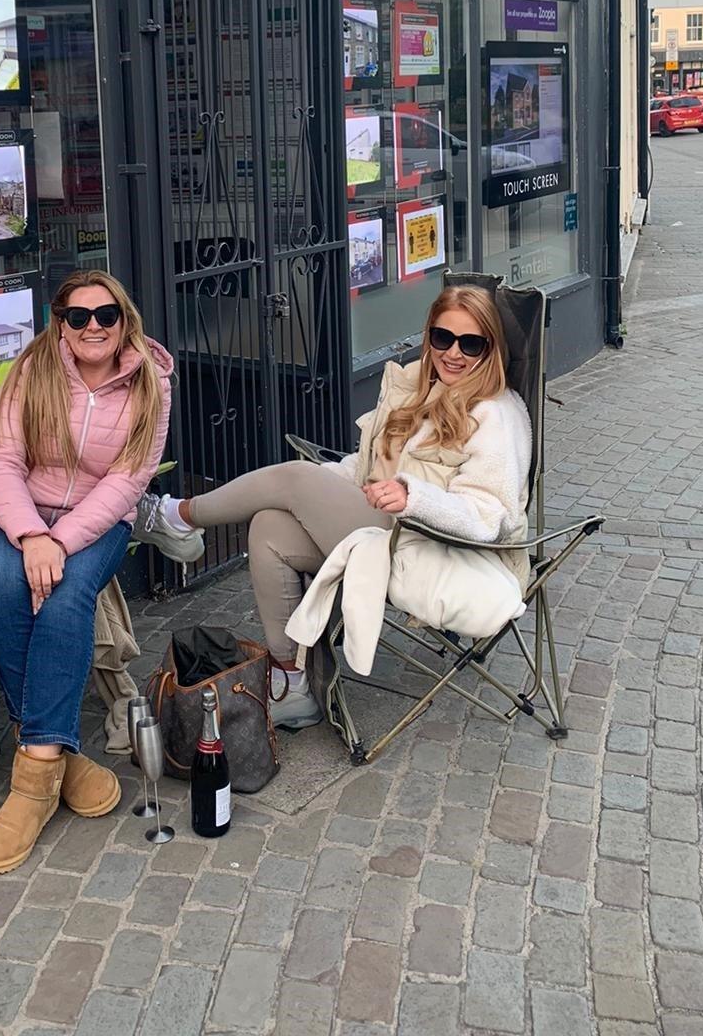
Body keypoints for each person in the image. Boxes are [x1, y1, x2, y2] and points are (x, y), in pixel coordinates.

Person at [138, 285, 531, 730]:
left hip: (433, 548)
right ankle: (292, 683)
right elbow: (367, 470)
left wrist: (415, 498)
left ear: (491, 348)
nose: (453, 353)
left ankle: (175, 516)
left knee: (293, 477)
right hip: (386, 529)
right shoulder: (421, 388)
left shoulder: (497, 413)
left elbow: (488, 514)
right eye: (443, 338)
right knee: (268, 526)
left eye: (471, 343)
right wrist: (334, 482)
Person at [0, 270, 175, 876]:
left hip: (95, 521)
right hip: (10, 512)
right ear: (61, 323)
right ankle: (55, 754)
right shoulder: (32, 371)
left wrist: (59, 542)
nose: (92, 327)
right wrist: (31, 534)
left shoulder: (151, 387)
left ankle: (29, 788)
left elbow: (127, 482)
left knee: (62, 600)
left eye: (104, 315)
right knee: (3, 586)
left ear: (123, 319)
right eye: (77, 316)